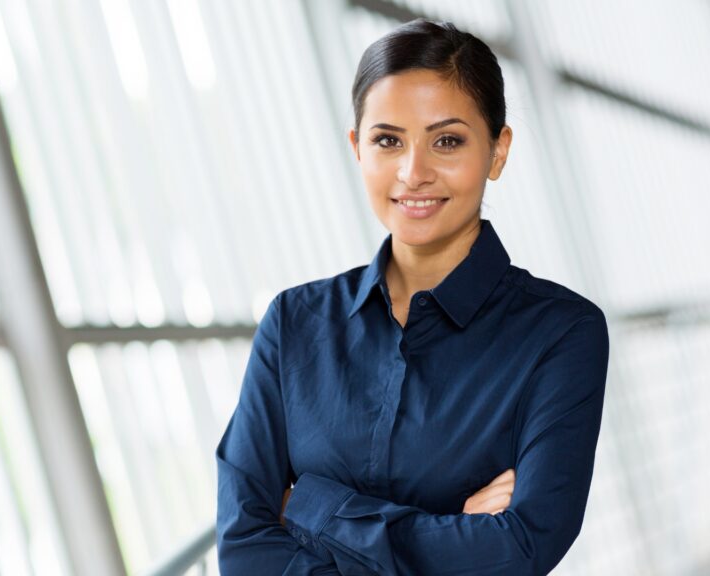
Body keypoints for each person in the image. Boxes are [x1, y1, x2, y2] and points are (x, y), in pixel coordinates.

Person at [215, 17, 610, 576]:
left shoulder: (561, 334)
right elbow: (242, 550)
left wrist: (308, 506)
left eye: (446, 140)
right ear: (357, 148)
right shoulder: (294, 324)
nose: (413, 172)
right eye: (388, 140)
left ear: (498, 152)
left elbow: (520, 549)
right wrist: (456, 528)